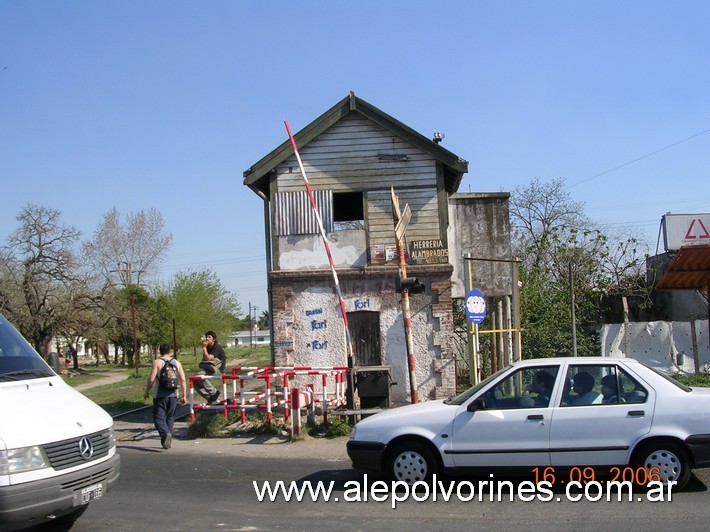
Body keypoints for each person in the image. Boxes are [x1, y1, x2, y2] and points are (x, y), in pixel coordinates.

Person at [143, 344, 187, 449]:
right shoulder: (177, 363)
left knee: (158, 419)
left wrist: (146, 392)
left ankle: (165, 433)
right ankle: (167, 440)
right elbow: (183, 380)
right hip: (173, 395)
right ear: (170, 351)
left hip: (160, 395)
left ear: (159, 351)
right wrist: (184, 395)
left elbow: (151, 379)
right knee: (170, 417)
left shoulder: (157, 362)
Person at [193, 330, 226, 403]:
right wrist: (211, 357)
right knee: (195, 379)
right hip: (209, 368)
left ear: (214, 339)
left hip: (218, 370)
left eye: (209, 337)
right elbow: (204, 359)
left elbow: (207, 358)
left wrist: (204, 348)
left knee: (200, 376)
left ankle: (214, 392)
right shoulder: (207, 347)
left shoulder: (217, 346)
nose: (207, 339)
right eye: (206, 337)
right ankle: (210, 397)